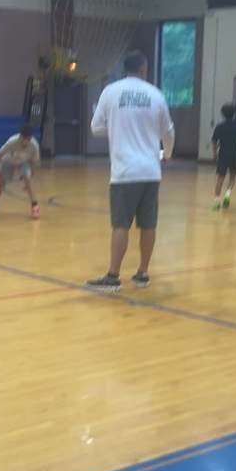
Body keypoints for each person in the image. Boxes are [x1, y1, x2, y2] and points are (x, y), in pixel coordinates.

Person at [86, 50, 175, 292]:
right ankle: (143, 273)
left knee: (120, 225)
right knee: (148, 224)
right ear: (144, 69)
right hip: (151, 171)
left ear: (125, 69)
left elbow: (96, 128)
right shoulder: (156, 94)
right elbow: (168, 132)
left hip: (125, 172)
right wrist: (167, 154)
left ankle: (113, 276)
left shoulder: (111, 92)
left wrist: (117, 127)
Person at [0, 123, 41, 220]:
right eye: (23, 138)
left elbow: (34, 163)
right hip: (8, 160)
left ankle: (34, 206)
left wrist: (31, 176)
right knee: (0, 180)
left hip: (23, 162)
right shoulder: (11, 141)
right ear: (20, 135)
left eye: (28, 139)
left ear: (31, 137)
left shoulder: (34, 146)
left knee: (28, 179)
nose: (25, 141)